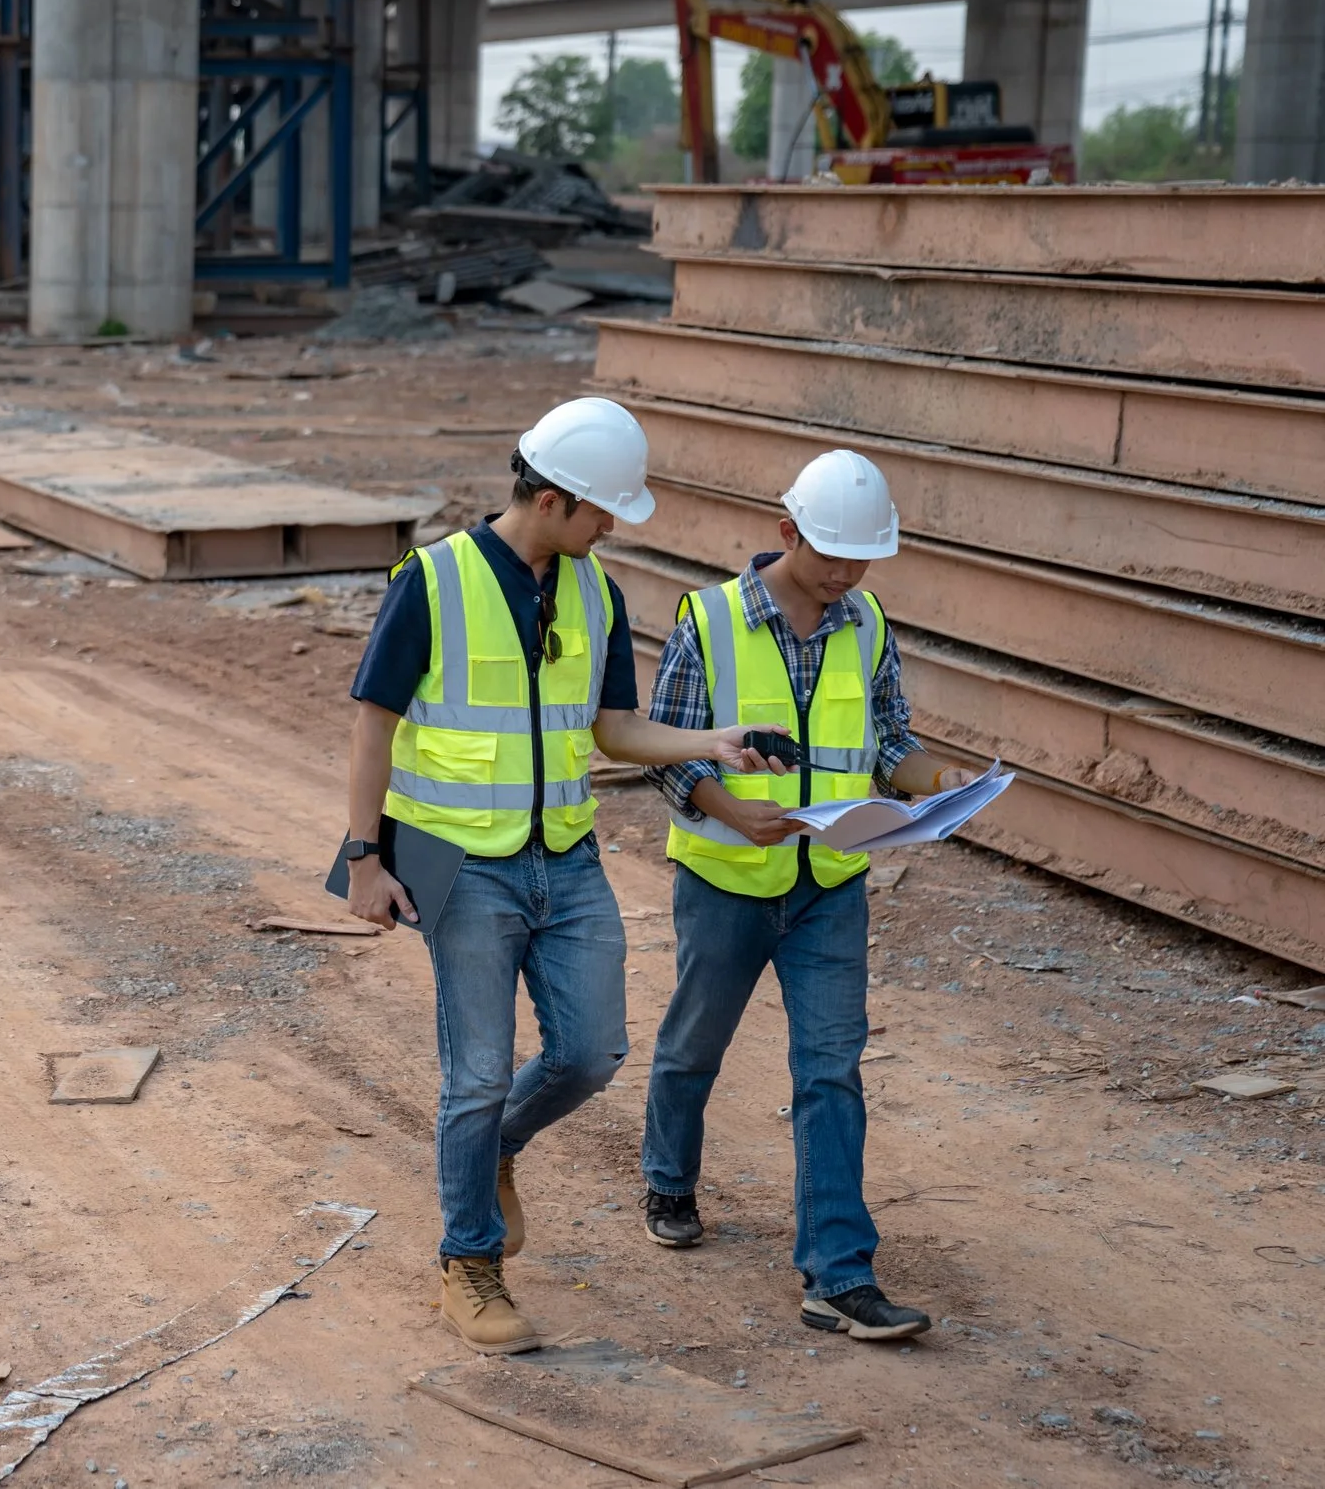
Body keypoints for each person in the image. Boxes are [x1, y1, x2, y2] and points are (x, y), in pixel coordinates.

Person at [343, 396, 782, 1355]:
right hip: (455, 863)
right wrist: (363, 858)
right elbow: (372, 721)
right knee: (474, 1072)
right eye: (601, 512)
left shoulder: (593, 589)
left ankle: (497, 1146)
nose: (612, 528)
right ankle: (470, 1262)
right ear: (550, 500)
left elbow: (612, 728)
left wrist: (717, 739)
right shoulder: (435, 580)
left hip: (566, 858)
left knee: (592, 1052)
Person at [639, 449, 976, 1342]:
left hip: (830, 882)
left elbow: (887, 737)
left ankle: (839, 1275)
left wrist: (935, 780)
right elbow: (669, 750)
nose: (846, 573)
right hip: (726, 880)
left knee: (830, 1070)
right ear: (786, 531)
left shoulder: (865, 621)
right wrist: (727, 807)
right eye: (832, 554)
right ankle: (669, 1175)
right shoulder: (708, 620)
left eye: (862, 558)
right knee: (693, 1047)